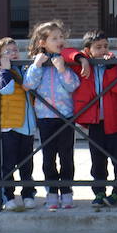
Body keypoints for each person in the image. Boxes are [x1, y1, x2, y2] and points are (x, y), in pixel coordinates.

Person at [24, 20, 80, 210]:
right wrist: (36, 66)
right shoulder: (38, 61)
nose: (59, 40)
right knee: (48, 156)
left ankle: (66, 191)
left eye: (61, 37)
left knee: (66, 155)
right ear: (42, 42)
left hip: (65, 115)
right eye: (54, 38)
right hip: (45, 116)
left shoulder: (66, 61)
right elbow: (28, 84)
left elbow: (73, 85)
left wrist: (62, 69)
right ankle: (51, 192)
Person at [72, 30, 117, 209]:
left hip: (114, 119)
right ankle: (99, 191)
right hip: (95, 121)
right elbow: (66, 53)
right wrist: (81, 59)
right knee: (98, 159)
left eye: (105, 46)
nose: (103, 50)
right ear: (88, 50)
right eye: (98, 47)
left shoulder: (113, 63)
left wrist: (112, 66)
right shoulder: (83, 64)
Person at [0, 36, 38, 211]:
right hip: (9, 124)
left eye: (15, 50)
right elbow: (7, 89)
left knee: (27, 163)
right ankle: (8, 195)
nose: (13, 53)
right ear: (0, 57)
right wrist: (5, 70)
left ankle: (28, 194)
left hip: (26, 125)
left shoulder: (23, 68)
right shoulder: (0, 71)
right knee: (8, 164)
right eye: (8, 51)